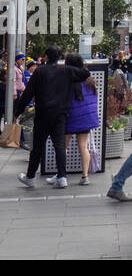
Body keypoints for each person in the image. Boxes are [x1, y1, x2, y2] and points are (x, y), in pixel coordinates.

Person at [15, 46, 91, 189]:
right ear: (59, 57)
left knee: (37, 146)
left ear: (46, 57)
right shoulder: (67, 70)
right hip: (60, 114)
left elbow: (28, 93)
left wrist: (17, 112)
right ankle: (62, 177)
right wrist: (81, 64)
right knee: (60, 145)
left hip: (43, 113)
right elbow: (85, 74)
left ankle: (30, 177)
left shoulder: (39, 72)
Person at [63, 56, 98, 186]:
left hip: (71, 116)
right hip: (86, 118)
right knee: (83, 147)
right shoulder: (89, 79)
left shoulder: (69, 79)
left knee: (63, 146)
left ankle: (61, 174)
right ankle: (85, 176)